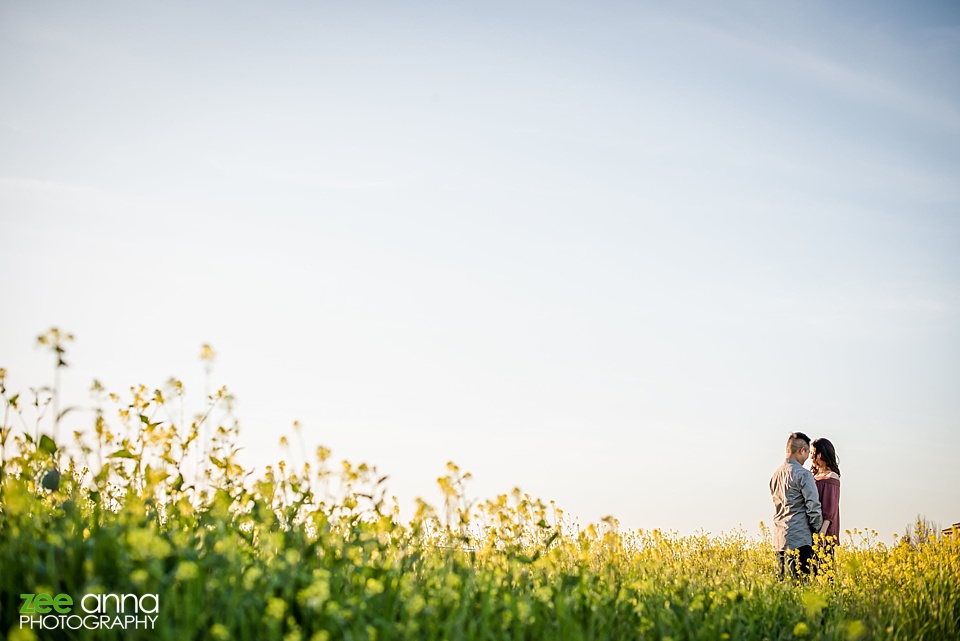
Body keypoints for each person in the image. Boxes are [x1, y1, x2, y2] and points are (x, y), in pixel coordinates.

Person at [769, 432, 823, 580]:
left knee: (783, 590)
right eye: (807, 454)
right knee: (801, 587)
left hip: (779, 540)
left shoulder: (775, 475)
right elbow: (813, 507)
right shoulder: (803, 474)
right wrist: (817, 530)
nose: (807, 459)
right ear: (802, 451)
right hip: (799, 539)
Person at [811, 437, 841, 571]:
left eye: (813, 453)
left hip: (825, 530)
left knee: (824, 570)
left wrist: (822, 532)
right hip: (813, 528)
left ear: (821, 454)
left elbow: (830, 508)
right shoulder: (814, 475)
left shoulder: (831, 477)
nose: (811, 456)